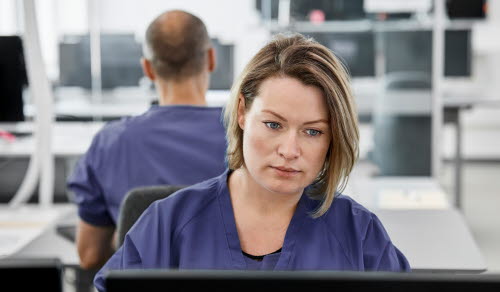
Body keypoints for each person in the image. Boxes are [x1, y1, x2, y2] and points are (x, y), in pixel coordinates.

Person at [93, 32, 410, 292]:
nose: (289, 150)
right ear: (242, 112)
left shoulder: (359, 234)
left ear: (332, 140)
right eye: (273, 125)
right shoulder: (169, 225)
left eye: (312, 131)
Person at [67, 10, 227, 270]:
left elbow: (90, 256)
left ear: (148, 69)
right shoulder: (249, 137)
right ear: (211, 59)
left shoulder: (110, 143)